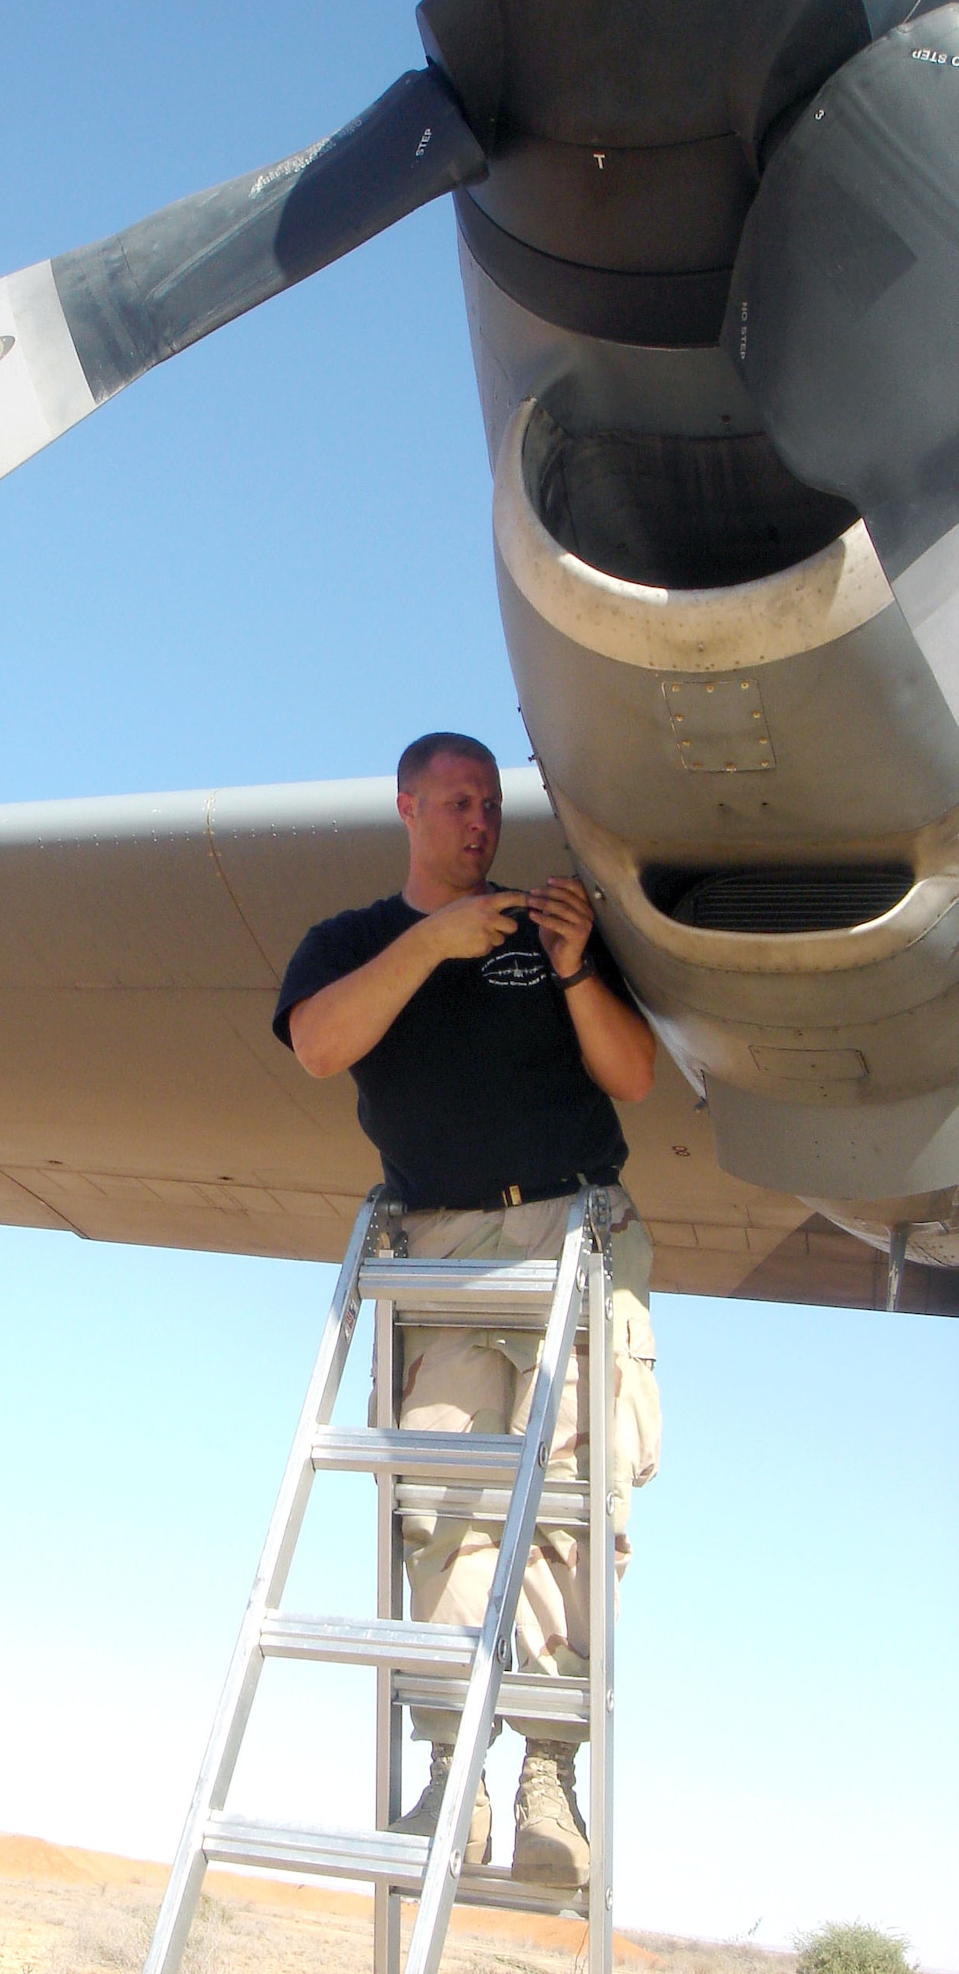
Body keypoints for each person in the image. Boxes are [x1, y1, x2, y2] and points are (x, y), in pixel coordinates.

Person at [271, 732, 662, 1888]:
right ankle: (453, 1770)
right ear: (407, 807)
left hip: (572, 1232)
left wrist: (582, 964)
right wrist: (432, 941)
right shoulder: (349, 942)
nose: (479, 821)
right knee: (438, 1502)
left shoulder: (550, 929)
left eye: (491, 802)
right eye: (455, 801)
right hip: (439, 1248)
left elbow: (634, 1075)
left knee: (578, 1508)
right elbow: (317, 1044)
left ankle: (549, 1771)